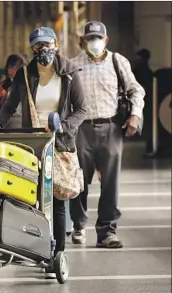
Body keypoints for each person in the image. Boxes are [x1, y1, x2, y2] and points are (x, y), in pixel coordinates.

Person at [0, 27, 87, 276]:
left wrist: (63, 127)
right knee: (32, 198)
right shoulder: (24, 73)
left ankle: (58, 254)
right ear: (32, 49)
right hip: (32, 141)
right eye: (38, 46)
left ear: (56, 44)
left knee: (56, 199)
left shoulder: (70, 73)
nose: (43, 50)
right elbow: (10, 105)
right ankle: (39, 248)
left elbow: (81, 109)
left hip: (60, 141)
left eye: (47, 44)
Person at [70, 21, 145, 248]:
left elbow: (136, 90)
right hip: (82, 130)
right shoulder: (73, 65)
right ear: (83, 41)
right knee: (79, 180)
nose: (94, 42)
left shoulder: (117, 61)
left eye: (98, 38)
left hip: (111, 128)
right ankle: (78, 224)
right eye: (90, 38)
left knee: (110, 182)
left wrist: (135, 116)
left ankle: (106, 231)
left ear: (106, 39)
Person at [0, 54, 27, 126]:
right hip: (4, 128)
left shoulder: (29, 86)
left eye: (17, 67)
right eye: (11, 67)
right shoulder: (2, 88)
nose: (12, 70)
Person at [133, 48, 154, 156]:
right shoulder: (147, 69)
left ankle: (149, 146)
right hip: (148, 100)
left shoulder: (139, 69)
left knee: (146, 124)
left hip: (143, 100)